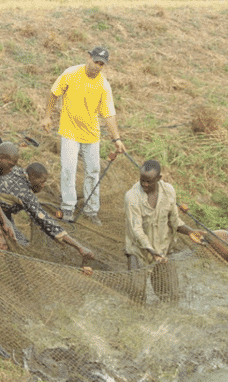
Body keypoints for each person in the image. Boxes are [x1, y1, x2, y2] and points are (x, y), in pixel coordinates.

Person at [42, 46, 126, 225]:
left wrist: (117, 138)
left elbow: (109, 114)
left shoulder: (104, 85)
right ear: (88, 58)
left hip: (91, 135)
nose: (97, 66)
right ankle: (68, 207)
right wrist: (47, 116)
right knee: (68, 169)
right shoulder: (71, 74)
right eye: (95, 61)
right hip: (69, 131)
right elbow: (54, 93)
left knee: (93, 171)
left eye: (101, 64)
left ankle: (91, 209)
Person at [124, 160, 204, 303]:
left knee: (171, 296)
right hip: (139, 251)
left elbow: (174, 221)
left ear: (159, 178)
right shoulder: (132, 197)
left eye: (149, 181)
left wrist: (190, 232)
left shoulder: (168, 191)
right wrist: (152, 252)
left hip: (163, 251)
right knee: (137, 295)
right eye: (142, 180)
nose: (145, 185)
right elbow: (136, 230)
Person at [0, 162, 95, 260]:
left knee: (20, 239)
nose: (43, 185)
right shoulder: (24, 193)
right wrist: (79, 247)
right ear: (31, 177)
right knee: (16, 243)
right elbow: (46, 222)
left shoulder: (17, 170)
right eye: (41, 182)